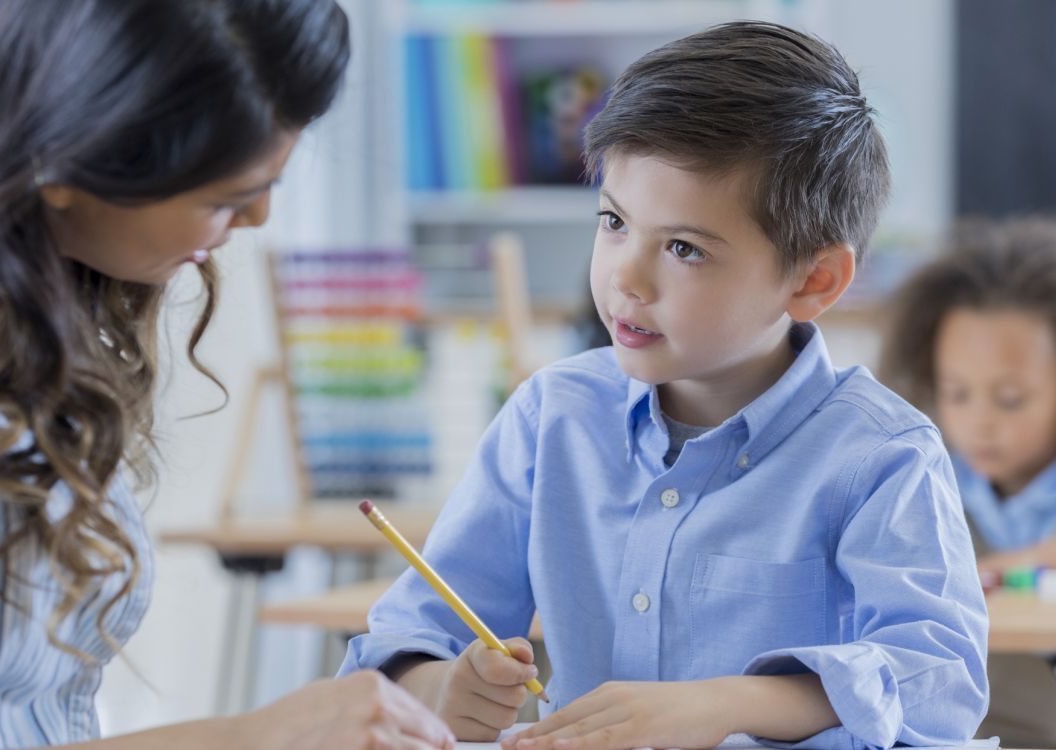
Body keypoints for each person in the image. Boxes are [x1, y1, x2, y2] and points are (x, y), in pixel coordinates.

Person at [0, 1, 455, 748]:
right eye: (224, 198)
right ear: (62, 158)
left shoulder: (29, 321)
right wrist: (244, 739)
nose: (255, 221)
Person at [339, 21, 988, 750]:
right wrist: (443, 689)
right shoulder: (552, 417)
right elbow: (408, 638)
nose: (625, 277)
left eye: (683, 248)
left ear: (815, 280)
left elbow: (937, 679)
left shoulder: (882, 457)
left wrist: (729, 705)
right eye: (614, 221)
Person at [880, 216, 1056, 749]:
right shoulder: (920, 476)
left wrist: (1027, 561)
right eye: (957, 393)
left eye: (1010, 399)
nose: (980, 422)